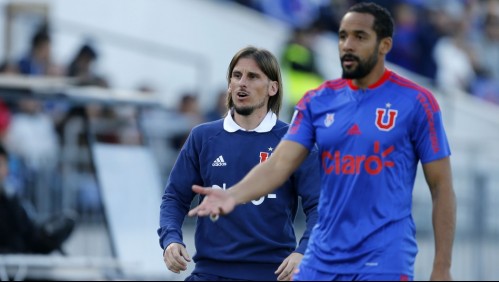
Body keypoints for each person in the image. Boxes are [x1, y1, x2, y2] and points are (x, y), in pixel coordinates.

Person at [188, 2, 456, 281]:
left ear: (385, 45)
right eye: (342, 36)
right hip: (324, 256)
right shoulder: (318, 101)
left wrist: (442, 267)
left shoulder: (417, 102)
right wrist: (232, 195)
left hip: (383, 257)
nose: (347, 45)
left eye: (359, 36)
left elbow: (441, 187)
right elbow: (279, 164)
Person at [157, 46, 320, 281]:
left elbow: (321, 207)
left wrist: (303, 252)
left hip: (272, 274)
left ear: (272, 88)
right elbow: (174, 197)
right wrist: (170, 239)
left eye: (253, 76)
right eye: (237, 75)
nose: (242, 83)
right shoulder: (203, 137)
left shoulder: (295, 142)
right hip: (209, 273)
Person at [0, 143, 75, 254]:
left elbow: (29, 236)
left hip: (17, 268)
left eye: (2, 164)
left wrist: (48, 235)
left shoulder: (12, 201)